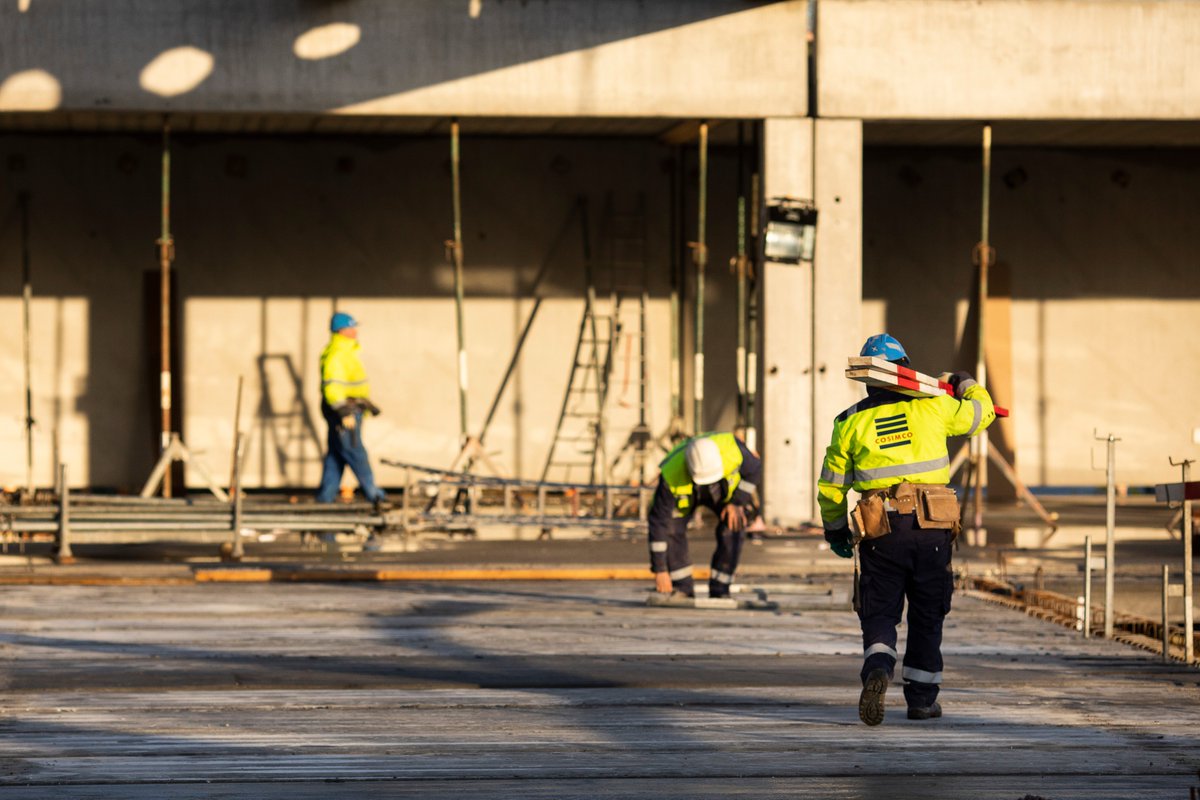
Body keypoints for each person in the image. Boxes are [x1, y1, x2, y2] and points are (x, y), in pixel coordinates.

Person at [818, 333, 995, 726]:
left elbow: (831, 487)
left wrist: (835, 531)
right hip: (932, 528)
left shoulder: (849, 422)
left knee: (880, 610)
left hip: (880, 530)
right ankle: (921, 700)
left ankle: (878, 667)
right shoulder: (934, 405)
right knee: (928, 612)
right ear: (907, 369)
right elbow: (981, 415)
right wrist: (964, 382)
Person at [648, 432, 762, 601]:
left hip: (724, 491)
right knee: (671, 528)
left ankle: (720, 589)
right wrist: (660, 569)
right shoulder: (671, 474)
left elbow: (755, 470)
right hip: (687, 493)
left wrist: (737, 502)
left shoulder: (733, 451)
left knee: (734, 525)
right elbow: (658, 522)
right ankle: (682, 588)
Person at [316, 312, 388, 505]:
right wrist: (343, 411)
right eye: (351, 327)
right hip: (345, 412)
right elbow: (333, 386)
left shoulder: (347, 351)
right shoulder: (338, 353)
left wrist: (366, 403)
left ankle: (326, 497)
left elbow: (350, 383)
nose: (355, 331)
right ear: (342, 330)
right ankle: (374, 495)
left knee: (336, 455)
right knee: (355, 451)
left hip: (351, 408)